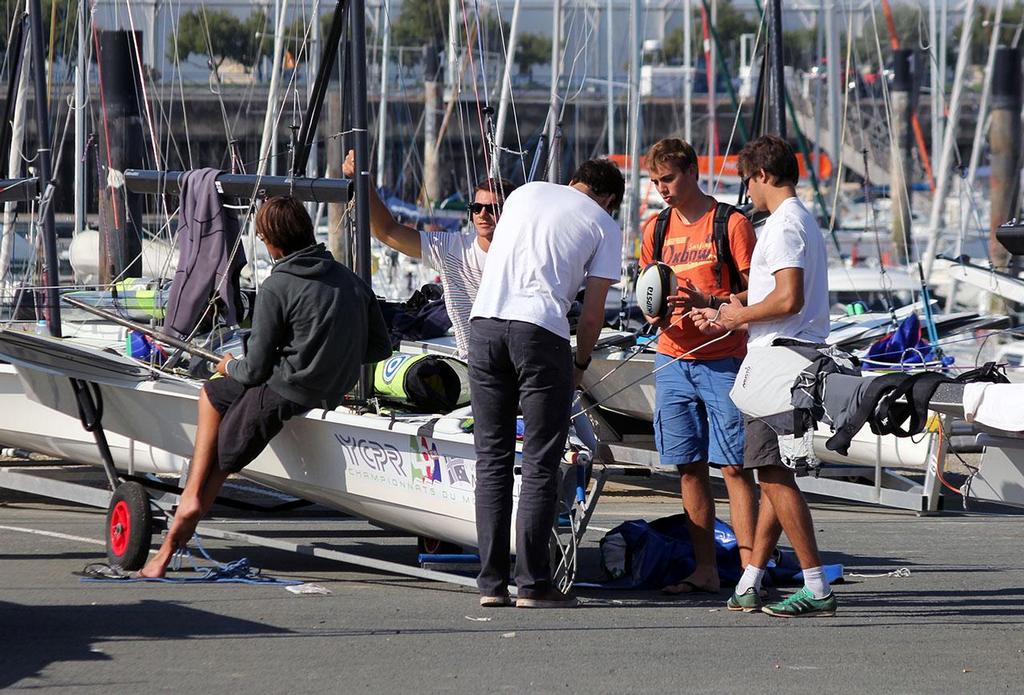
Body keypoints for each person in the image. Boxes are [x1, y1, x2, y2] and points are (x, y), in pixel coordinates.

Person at [139, 196, 391, 578]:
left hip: (283, 392)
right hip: (327, 391)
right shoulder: (350, 279)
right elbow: (379, 347)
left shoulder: (278, 285)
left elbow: (254, 370)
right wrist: (329, 354)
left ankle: (167, 549)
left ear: (274, 241)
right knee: (213, 393)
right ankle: (192, 486)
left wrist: (229, 364)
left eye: (261, 237)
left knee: (220, 464)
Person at [469, 159, 625, 609]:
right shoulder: (604, 225)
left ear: (573, 180)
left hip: (485, 325)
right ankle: (533, 585)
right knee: (540, 461)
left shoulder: (524, 193)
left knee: (492, 460)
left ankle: (491, 585)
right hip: (540, 330)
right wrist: (579, 362)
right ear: (609, 198)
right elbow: (592, 313)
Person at [692, 135, 837, 617]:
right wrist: (730, 311)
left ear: (764, 176)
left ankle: (816, 586)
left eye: (747, 180)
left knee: (772, 474)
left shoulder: (784, 225)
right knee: (773, 472)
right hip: (789, 353)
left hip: (781, 360)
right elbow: (781, 301)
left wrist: (738, 317)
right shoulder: (798, 222)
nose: (746, 192)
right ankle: (751, 579)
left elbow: (788, 298)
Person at [639, 138, 760, 596]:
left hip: (724, 358)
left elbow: (759, 294)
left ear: (691, 172)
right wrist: (654, 313)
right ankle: (706, 570)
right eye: (654, 182)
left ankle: (750, 576)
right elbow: (648, 294)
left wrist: (709, 303)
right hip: (672, 357)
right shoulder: (655, 229)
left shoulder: (731, 223)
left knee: (734, 468)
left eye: (667, 179)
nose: (661, 189)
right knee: (687, 468)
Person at [342, 149, 516, 359]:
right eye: (476, 207)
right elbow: (388, 231)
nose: (482, 215)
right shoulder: (453, 248)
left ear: (511, 211)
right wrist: (364, 181)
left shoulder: (526, 254)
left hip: (517, 360)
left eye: (492, 208)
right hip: (476, 366)